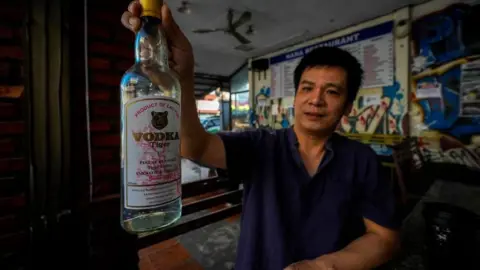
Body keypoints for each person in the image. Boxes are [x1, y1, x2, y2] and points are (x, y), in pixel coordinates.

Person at [121, 2, 400, 269]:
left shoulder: (363, 160)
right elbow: (195, 146)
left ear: (348, 106)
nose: (316, 100)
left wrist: (322, 266)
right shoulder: (261, 145)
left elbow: (384, 238)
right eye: (307, 88)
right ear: (296, 96)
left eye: (332, 91)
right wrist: (183, 78)